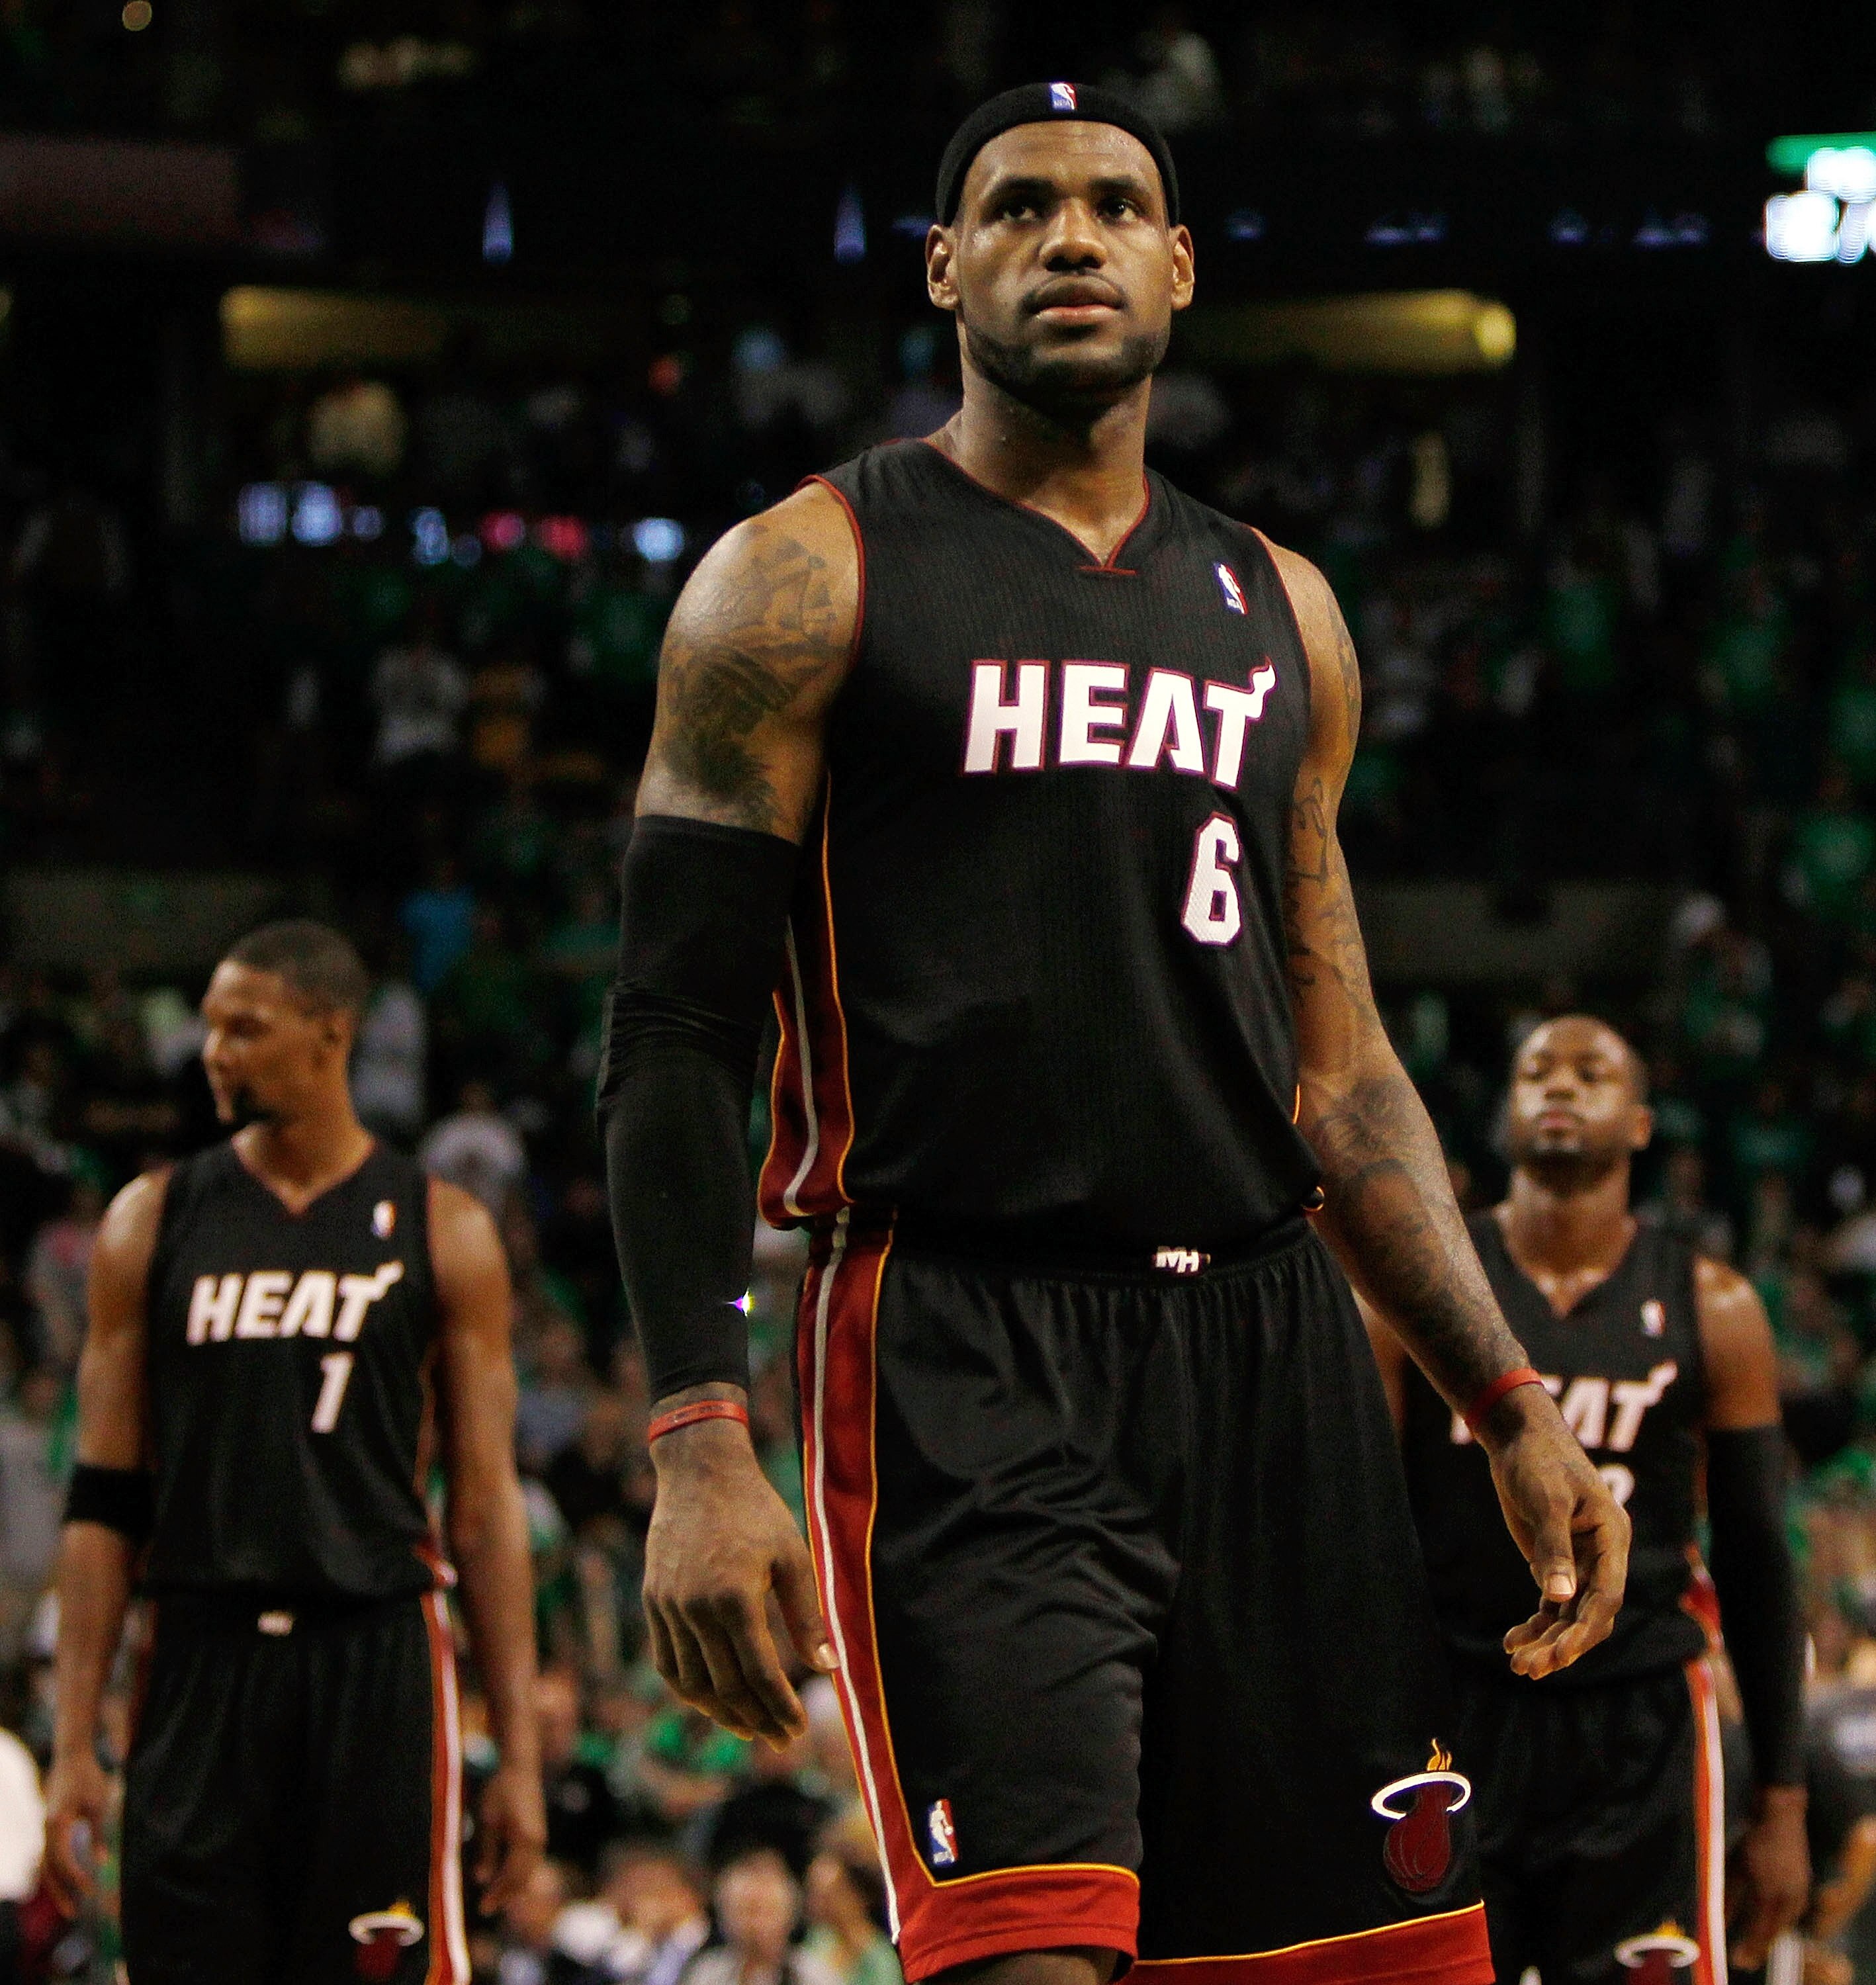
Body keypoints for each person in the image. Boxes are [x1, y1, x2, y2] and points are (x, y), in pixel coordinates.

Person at [600, 81, 1628, 1985]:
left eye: (1110, 205)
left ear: (1174, 266)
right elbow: (673, 1033)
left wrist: (1503, 1396)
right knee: (1031, 1958)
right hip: (962, 1351)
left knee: (1362, 1969)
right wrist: (692, 1434)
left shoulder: (1278, 613)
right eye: (1014, 209)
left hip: (1267, 1346)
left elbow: (1340, 1078)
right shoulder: (800, 577)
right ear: (942, 268)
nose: (1065, 236)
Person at [42, 919, 547, 1983]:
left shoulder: (441, 1225)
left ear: (331, 1033)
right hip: (197, 1653)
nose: (214, 1052)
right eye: (212, 1028)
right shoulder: (154, 1219)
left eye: (245, 1028)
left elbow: (488, 1509)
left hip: (373, 1652)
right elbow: (100, 1499)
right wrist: (75, 1739)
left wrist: (520, 1751)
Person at [1363, 1015, 1810, 1984]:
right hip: (1456, 1706)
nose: (1560, 1086)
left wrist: (1783, 1799)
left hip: (1639, 1721)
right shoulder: (1418, 1293)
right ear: (1504, 1112)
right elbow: (1356, 1535)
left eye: (1591, 1072)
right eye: (1537, 1071)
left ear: (1642, 1123)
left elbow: (1758, 1557)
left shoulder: (1716, 1305)